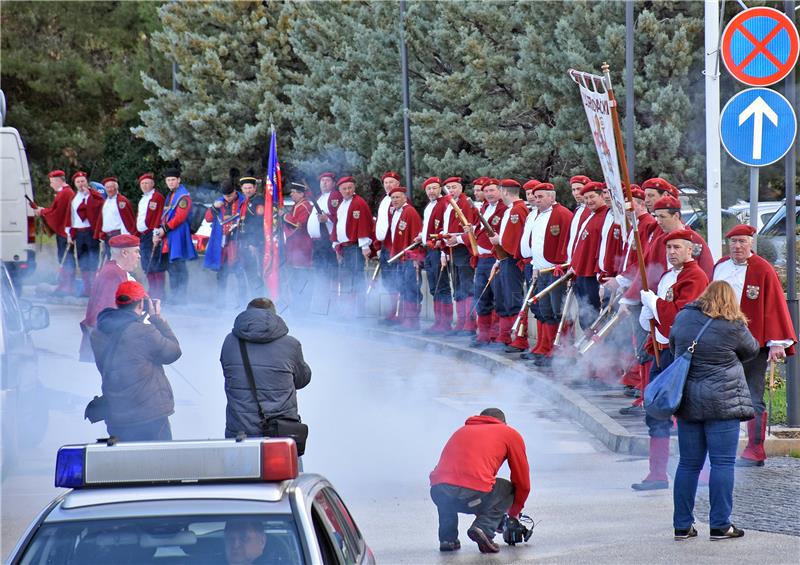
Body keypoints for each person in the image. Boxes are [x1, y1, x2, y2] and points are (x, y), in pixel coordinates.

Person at [670, 281, 758, 540]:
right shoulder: (732, 324)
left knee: (687, 464)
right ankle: (720, 525)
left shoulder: (684, 317)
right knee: (722, 463)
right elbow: (752, 350)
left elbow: (674, 348)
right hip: (724, 403)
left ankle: (682, 525)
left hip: (688, 402)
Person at [713, 224, 797, 467]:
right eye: (733, 242)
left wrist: (776, 343)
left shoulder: (762, 269)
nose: (737, 246)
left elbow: (774, 306)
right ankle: (722, 444)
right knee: (720, 393)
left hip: (753, 343)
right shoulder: (720, 267)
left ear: (751, 243)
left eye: (742, 242)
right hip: (721, 341)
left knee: (752, 394)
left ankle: (755, 448)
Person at [631, 229, 709, 491]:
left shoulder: (695, 276)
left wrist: (654, 304)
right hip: (662, 349)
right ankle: (657, 472)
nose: (672, 252)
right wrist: (649, 313)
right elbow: (661, 315)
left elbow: (680, 318)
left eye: (677, 247)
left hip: (683, 353)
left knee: (689, 411)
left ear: (690, 249)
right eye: (669, 248)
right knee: (656, 410)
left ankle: (701, 471)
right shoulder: (667, 276)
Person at [429, 408, 530, 554]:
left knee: (446, 490)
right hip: (472, 494)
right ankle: (484, 528)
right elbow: (522, 482)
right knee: (508, 488)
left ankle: (447, 539)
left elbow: (453, 478)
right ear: (504, 423)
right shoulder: (509, 433)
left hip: (438, 491)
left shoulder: (461, 431)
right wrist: (513, 514)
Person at [90, 280, 181, 441]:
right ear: (141, 304)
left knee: (125, 463)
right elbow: (173, 352)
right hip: (149, 414)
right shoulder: (142, 331)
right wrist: (157, 318)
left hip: (116, 413)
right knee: (159, 463)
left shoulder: (98, 332)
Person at [220, 298, 311, 438]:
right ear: (274, 316)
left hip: (239, 432)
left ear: (246, 314)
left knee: (238, 461)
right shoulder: (291, 345)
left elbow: (229, 374)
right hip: (280, 430)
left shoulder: (229, 342)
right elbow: (302, 380)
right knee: (292, 460)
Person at [519, 182, 573, 364]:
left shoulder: (563, 214)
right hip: (541, 270)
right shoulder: (537, 215)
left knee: (557, 310)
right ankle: (547, 348)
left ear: (552, 196)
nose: (536, 199)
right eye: (535, 196)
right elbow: (537, 244)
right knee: (544, 309)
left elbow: (568, 242)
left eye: (541, 196)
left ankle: (560, 352)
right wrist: (535, 266)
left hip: (556, 270)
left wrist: (564, 265)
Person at [488, 179, 529, 349]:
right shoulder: (513, 209)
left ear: (504, 191)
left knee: (513, 298)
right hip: (506, 259)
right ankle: (508, 335)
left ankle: (519, 338)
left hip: (512, 259)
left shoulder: (517, 210)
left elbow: (516, 239)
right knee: (505, 297)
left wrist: (499, 240)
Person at [153, 167, 198, 304]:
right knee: (172, 267)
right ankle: (175, 297)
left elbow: (180, 217)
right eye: (168, 180)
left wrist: (163, 229)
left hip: (178, 234)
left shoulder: (183, 197)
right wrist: (160, 231)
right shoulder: (171, 195)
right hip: (169, 234)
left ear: (179, 180)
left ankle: (181, 298)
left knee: (179, 266)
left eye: (173, 180)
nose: (171, 182)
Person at [82, 234, 141, 331]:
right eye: (136, 252)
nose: (139, 256)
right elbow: (108, 315)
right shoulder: (113, 275)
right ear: (125, 253)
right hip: (105, 340)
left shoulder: (116, 271)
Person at [442, 177, 478, 335]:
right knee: (457, 286)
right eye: (449, 187)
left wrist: (455, 238)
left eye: (454, 187)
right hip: (453, 249)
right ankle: (461, 321)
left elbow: (468, 229)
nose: (451, 190)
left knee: (466, 286)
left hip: (463, 249)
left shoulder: (464, 204)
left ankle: (469, 324)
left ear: (461, 188)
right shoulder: (449, 203)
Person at [417, 177, 453, 334]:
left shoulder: (444, 204)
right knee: (434, 287)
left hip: (439, 250)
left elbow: (446, 228)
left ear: (440, 189)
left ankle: (445, 323)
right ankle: (439, 321)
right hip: (429, 250)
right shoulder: (429, 206)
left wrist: (444, 251)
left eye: (434, 188)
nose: (431, 191)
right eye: (428, 189)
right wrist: (422, 236)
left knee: (441, 286)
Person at [33, 170, 76, 295]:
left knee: (66, 258)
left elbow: (57, 214)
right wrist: (44, 210)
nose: (51, 185)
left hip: (65, 231)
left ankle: (67, 286)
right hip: (64, 231)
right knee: (63, 257)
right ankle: (65, 284)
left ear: (58, 180)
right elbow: (55, 210)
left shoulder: (65, 193)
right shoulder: (64, 193)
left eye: (52, 182)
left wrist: (42, 212)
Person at [204, 180, 247, 303]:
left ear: (235, 191)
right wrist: (213, 207)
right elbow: (208, 218)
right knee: (221, 273)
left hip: (237, 241)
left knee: (239, 272)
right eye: (225, 196)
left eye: (230, 195)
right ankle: (220, 302)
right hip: (222, 243)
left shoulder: (243, 201)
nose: (227, 198)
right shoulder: (219, 202)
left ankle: (242, 302)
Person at [388, 187, 424, 329]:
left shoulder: (410, 212)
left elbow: (416, 236)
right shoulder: (397, 212)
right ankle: (405, 318)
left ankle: (412, 321)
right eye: (393, 198)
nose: (395, 200)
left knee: (411, 288)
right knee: (403, 287)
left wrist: (415, 257)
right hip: (401, 257)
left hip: (410, 258)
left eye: (398, 197)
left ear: (404, 198)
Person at [69, 171, 104, 297]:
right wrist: (70, 234)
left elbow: (101, 203)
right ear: (75, 184)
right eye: (78, 182)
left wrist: (90, 194)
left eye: (82, 181)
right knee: (82, 260)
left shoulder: (93, 195)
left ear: (87, 182)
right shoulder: (74, 198)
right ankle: (86, 288)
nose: (80, 184)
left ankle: (94, 288)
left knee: (93, 259)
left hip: (90, 231)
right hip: (79, 232)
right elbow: (72, 217)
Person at [375, 172, 402, 323]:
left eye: (391, 182)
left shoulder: (400, 200)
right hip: (385, 245)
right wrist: (378, 246)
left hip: (395, 247)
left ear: (397, 184)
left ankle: (397, 313)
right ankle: (391, 312)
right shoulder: (384, 200)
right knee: (387, 280)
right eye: (386, 182)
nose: (388, 185)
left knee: (396, 279)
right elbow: (380, 223)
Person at [136, 173, 167, 300]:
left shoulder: (157, 197)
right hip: (143, 235)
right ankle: (151, 289)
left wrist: (156, 234)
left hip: (152, 234)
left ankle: (159, 292)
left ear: (152, 184)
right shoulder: (143, 199)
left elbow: (158, 216)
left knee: (155, 263)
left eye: (147, 183)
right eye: (142, 183)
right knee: (146, 263)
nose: (144, 185)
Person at [95, 176, 137, 260]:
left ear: (116, 188)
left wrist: (126, 236)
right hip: (107, 237)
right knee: (110, 259)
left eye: (111, 187)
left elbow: (128, 219)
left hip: (118, 235)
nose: (109, 189)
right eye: (107, 187)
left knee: (120, 259)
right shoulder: (105, 202)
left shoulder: (122, 201)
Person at [238, 173, 265, 297]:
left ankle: (258, 300)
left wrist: (254, 243)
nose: (248, 190)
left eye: (250, 187)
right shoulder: (246, 202)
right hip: (245, 242)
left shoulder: (258, 202)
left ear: (255, 188)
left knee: (256, 274)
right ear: (242, 189)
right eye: (245, 188)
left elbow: (258, 224)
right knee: (249, 272)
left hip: (253, 244)